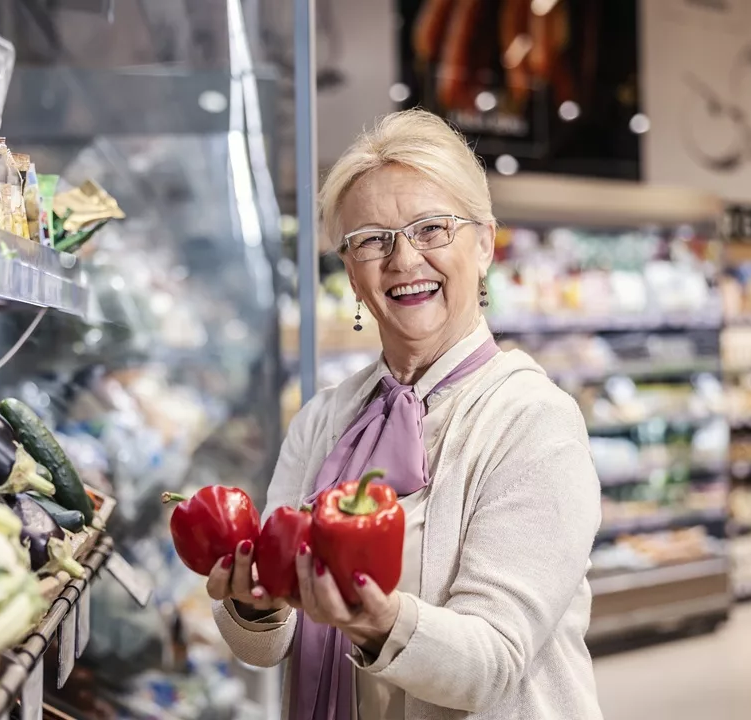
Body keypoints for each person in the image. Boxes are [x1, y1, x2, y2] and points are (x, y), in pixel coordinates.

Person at [209, 108, 603, 720]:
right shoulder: (321, 421)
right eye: (370, 239)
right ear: (350, 272)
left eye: (431, 229)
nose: (403, 259)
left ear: (484, 243)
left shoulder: (532, 422)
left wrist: (378, 623)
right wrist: (256, 606)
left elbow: (493, 666)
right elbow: (267, 646)